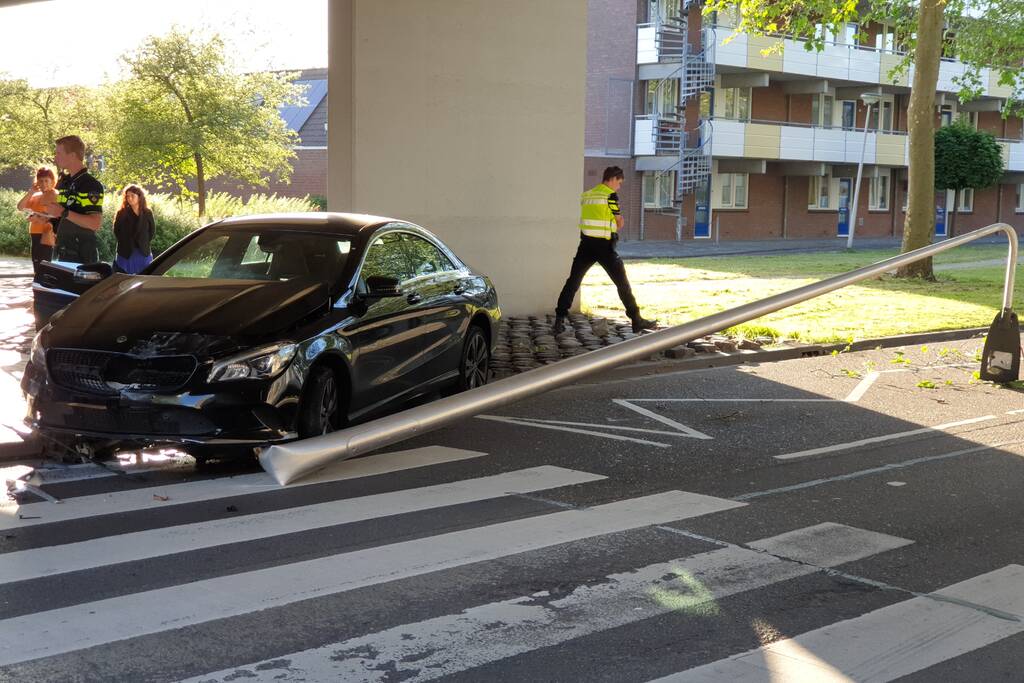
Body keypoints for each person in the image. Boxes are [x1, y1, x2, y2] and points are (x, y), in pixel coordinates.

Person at [554, 166, 657, 335]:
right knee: (622, 284)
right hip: (604, 248)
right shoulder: (610, 196)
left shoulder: (587, 195)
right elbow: (619, 222)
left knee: (573, 282)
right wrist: (618, 220)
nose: (619, 187)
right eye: (619, 182)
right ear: (612, 178)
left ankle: (559, 321)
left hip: (586, 245)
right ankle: (636, 320)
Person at [52, 135, 104, 264]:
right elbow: (59, 216)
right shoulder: (64, 182)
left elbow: (95, 224)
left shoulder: (90, 185)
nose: (55, 157)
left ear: (72, 155)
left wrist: (64, 212)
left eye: (59, 153)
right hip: (60, 251)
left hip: (81, 256)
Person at [15, 167, 59, 271]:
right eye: (41, 181)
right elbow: (20, 207)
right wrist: (30, 193)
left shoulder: (56, 195)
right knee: (37, 263)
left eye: (46, 181)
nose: (43, 183)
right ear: (37, 181)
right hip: (34, 233)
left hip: (48, 234)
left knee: (46, 265)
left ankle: (44, 285)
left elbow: (58, 215)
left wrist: (39, 218)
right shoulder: (35, 196)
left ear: (53, 181)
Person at [112, 185, 156, 274]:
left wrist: (143, 241)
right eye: (127, 196)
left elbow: (152, 232)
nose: (130, 198)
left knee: (145, 277)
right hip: (125, 252)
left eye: (132, 196)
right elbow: (116, 231)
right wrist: (125, 241)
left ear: (139, 197)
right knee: (123, 278)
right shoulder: (122, 213)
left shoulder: (147, 213)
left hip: (143, 252)